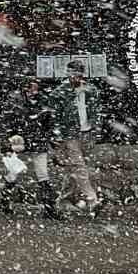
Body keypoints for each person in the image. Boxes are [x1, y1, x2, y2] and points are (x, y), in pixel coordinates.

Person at [47, 60, 104, 214]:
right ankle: (92, 199)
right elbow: (54, 115)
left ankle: (61, 202)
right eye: (72, 74)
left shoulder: (91, 90)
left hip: (87, 134)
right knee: (80, 167)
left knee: (74, 170)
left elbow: (97, 112)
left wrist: (96, 129)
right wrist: (57, 135)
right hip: (69, 135)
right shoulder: (60, 92)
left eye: (78, 74)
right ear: (68, 73)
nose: (75, 77)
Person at [2, 77, 63, 219]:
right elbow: (7, 122)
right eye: (32, 87)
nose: (34, 90)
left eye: (35, 87)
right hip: (20, 142)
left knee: (42, 175)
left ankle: (49, 208)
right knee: (14, 173)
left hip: (35, 141)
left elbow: (50, 122)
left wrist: (51, 137)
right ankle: (5, 200)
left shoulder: (40, 102)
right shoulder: (16, 102)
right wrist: (7, 141)